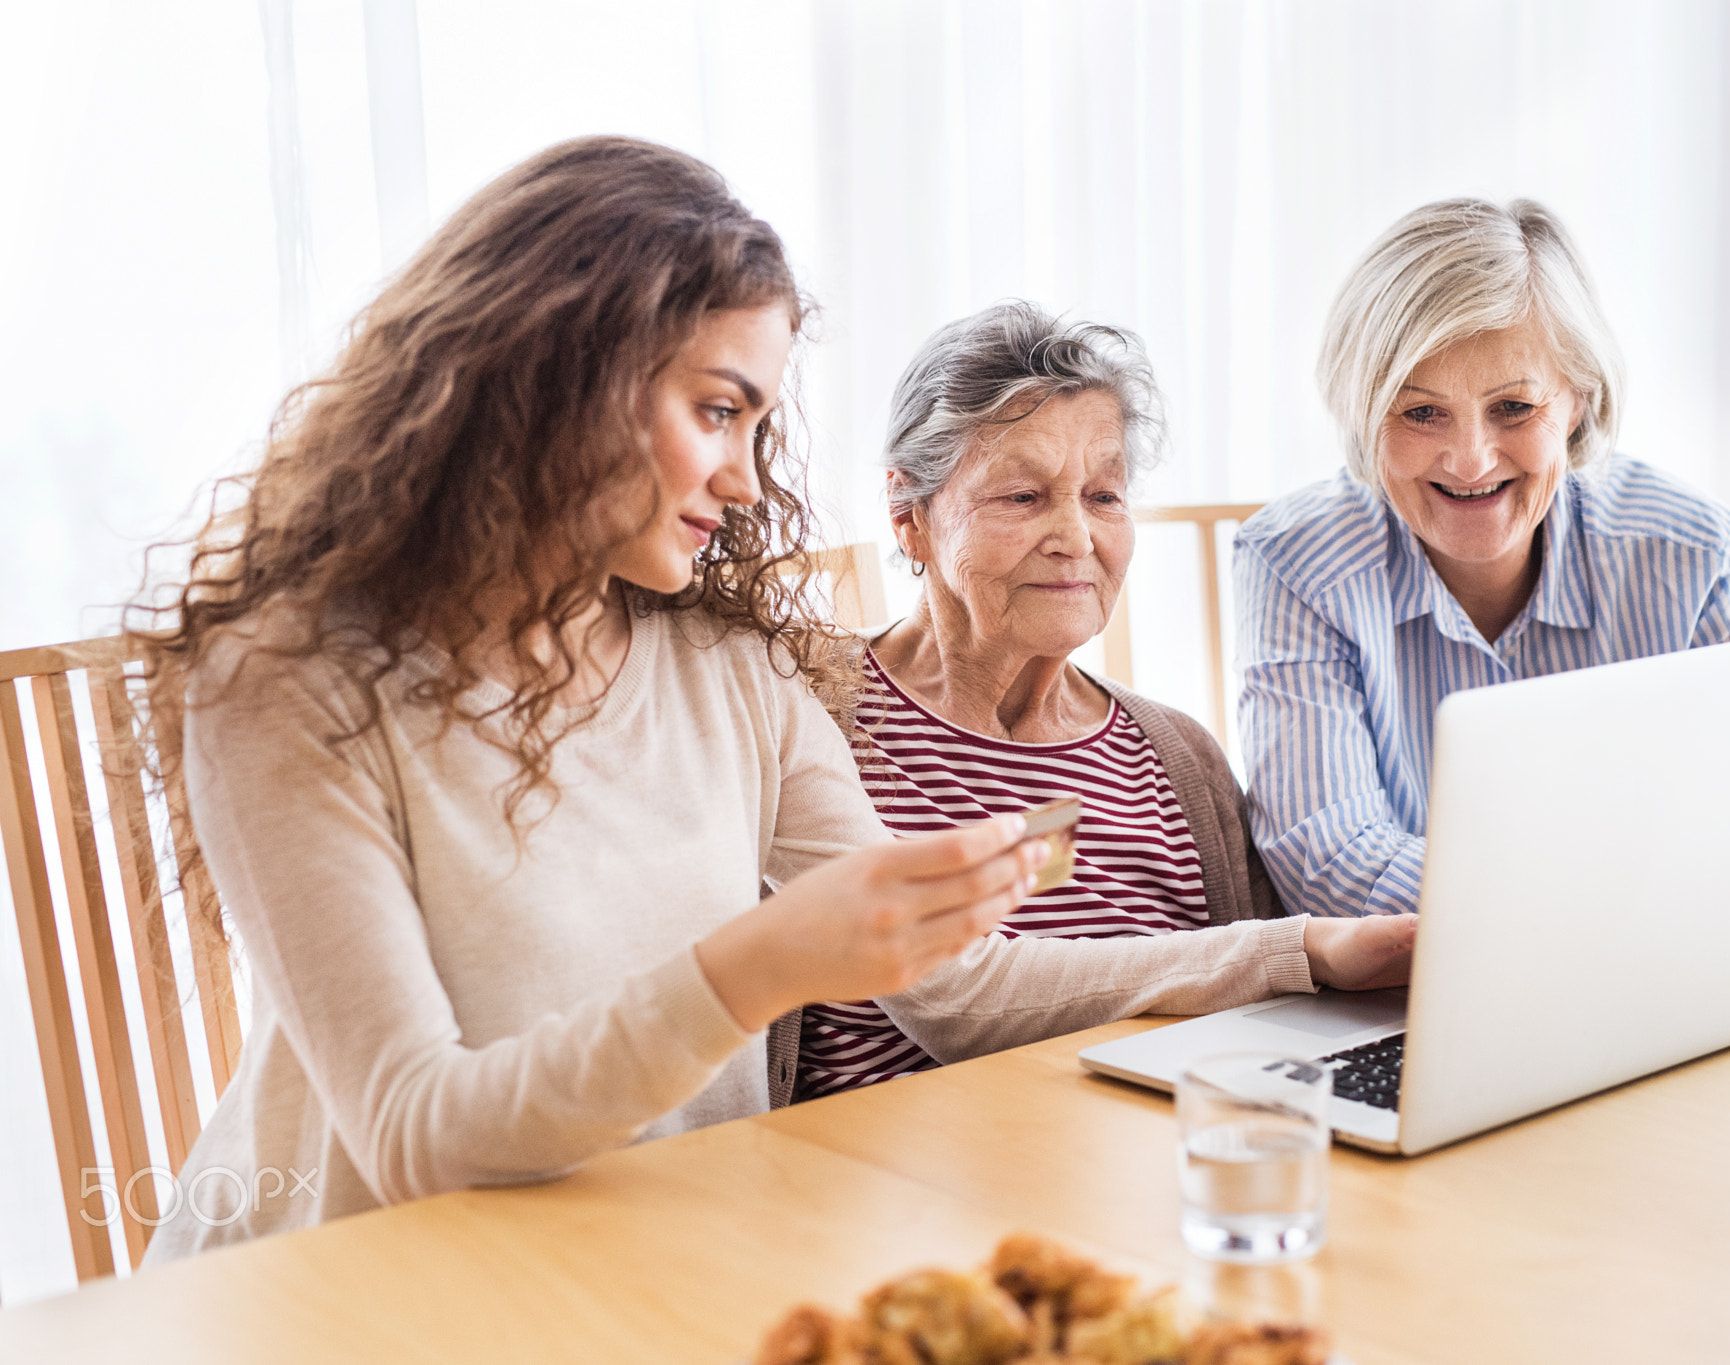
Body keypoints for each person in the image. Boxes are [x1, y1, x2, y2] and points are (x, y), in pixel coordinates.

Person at [132, 137, 1056, 1260]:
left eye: (758, 425)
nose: (747, 479)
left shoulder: (732, 671)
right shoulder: (284, 684)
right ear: (559, 376)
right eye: (718, 411)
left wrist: (1302, 951)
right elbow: (417, 1136)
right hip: (348, 1290)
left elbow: (966, 989)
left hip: (646, 1265)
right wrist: (760, 963)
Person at [1235, 198, 1730, 986]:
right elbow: (1332, 866)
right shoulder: (1294, 563)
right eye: (1420, 412)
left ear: (1579, 396)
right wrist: (1664, 900)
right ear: (1363, 412)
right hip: (1413, 1009)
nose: (1471, 458)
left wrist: (1571, 911)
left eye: (1513, 406)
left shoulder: (1688, 552)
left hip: (1656, 990)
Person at [797, 303, 1417, 1099]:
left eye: (1104, 495)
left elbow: (1275, 1019)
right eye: (1022, 496)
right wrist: (1297, 948)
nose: (1075, 537)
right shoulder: (812, 712)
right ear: (907, 515)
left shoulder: (1178, 758)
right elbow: (953, 995)